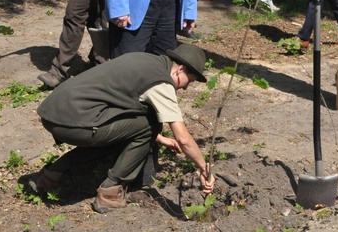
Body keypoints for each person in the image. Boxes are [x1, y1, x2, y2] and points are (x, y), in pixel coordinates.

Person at [30, 44, 215, 213]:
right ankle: (110, 193)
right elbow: (183, 138)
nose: (185, 89)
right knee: (150, 125)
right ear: (180, 70)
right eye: (188, 82)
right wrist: (203, 167)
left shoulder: (145, 60)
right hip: (73, 121)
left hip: (55, 111)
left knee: (141, 128)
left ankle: (53, 173)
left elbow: (119, 107)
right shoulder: (161, 81)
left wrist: (159, 139)